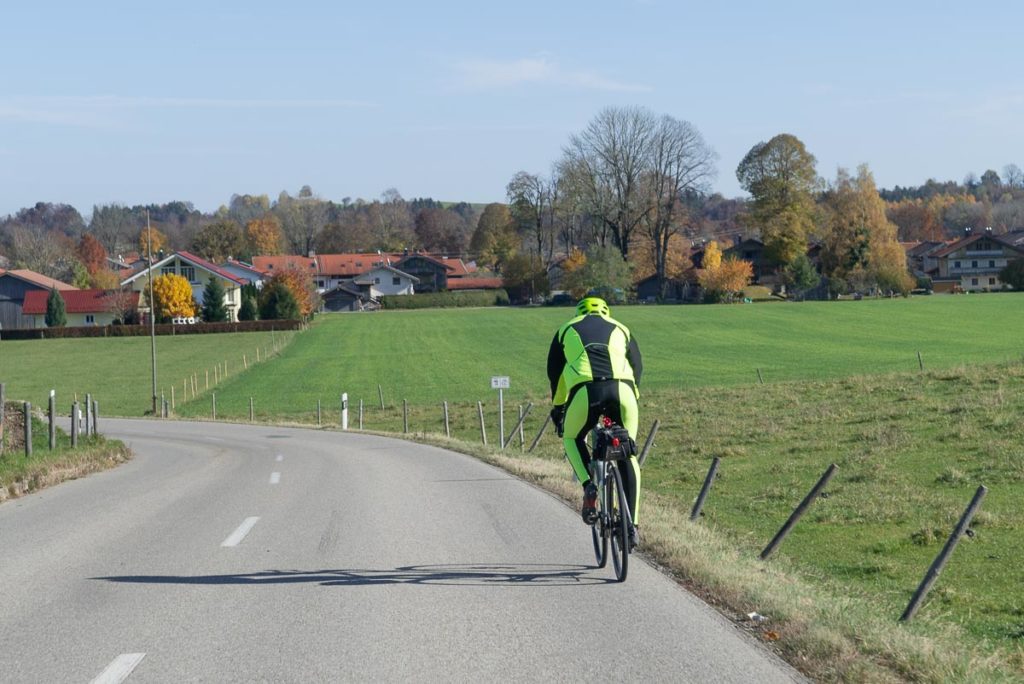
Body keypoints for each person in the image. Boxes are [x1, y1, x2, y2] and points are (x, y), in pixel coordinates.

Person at [547, 296, 643, 548]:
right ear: (606, 312)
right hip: (623, 390)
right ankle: (631, 525)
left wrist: (558, 410)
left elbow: (555, 375)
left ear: (579, 312)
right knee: (628, 452)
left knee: (572, 437)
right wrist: (634, 392)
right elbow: (638, 365)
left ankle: (589, 486)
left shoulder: (565, 329)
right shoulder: (621, 328)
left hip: (584, 391)